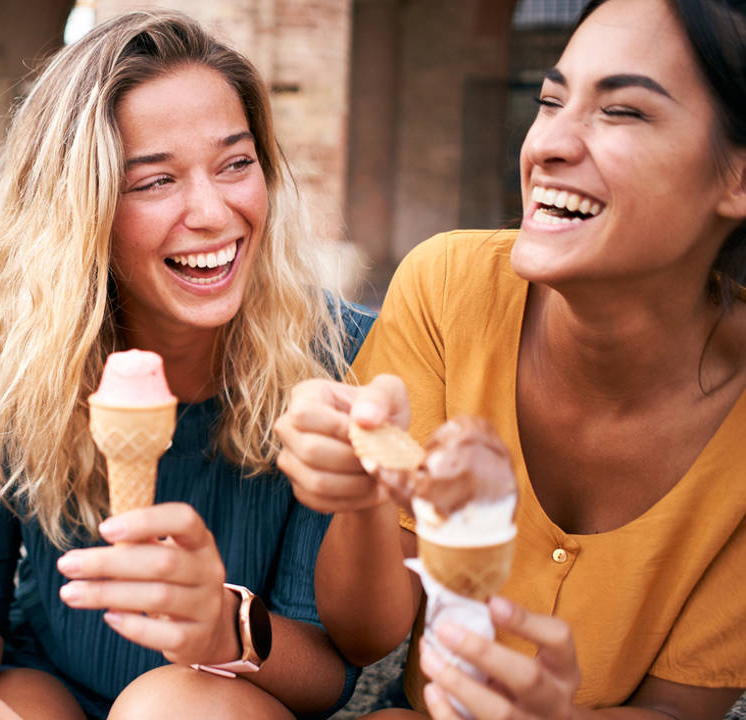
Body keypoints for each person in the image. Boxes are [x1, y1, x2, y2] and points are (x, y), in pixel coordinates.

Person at [274, 0, 746, 717]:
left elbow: (680, 709)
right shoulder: (448, 286)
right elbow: (367, 635)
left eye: (621, 112)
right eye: (551, 99)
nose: (547, 143)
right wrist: (365, 493)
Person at [0, 10, 373, 720]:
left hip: (231, 702)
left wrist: (220, 625)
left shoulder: (337, 358)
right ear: (78, 210)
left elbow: (326, 675)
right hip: (54, 683)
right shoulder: (8, 357)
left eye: (236, 164)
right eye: (154, 182)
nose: (214, 211)